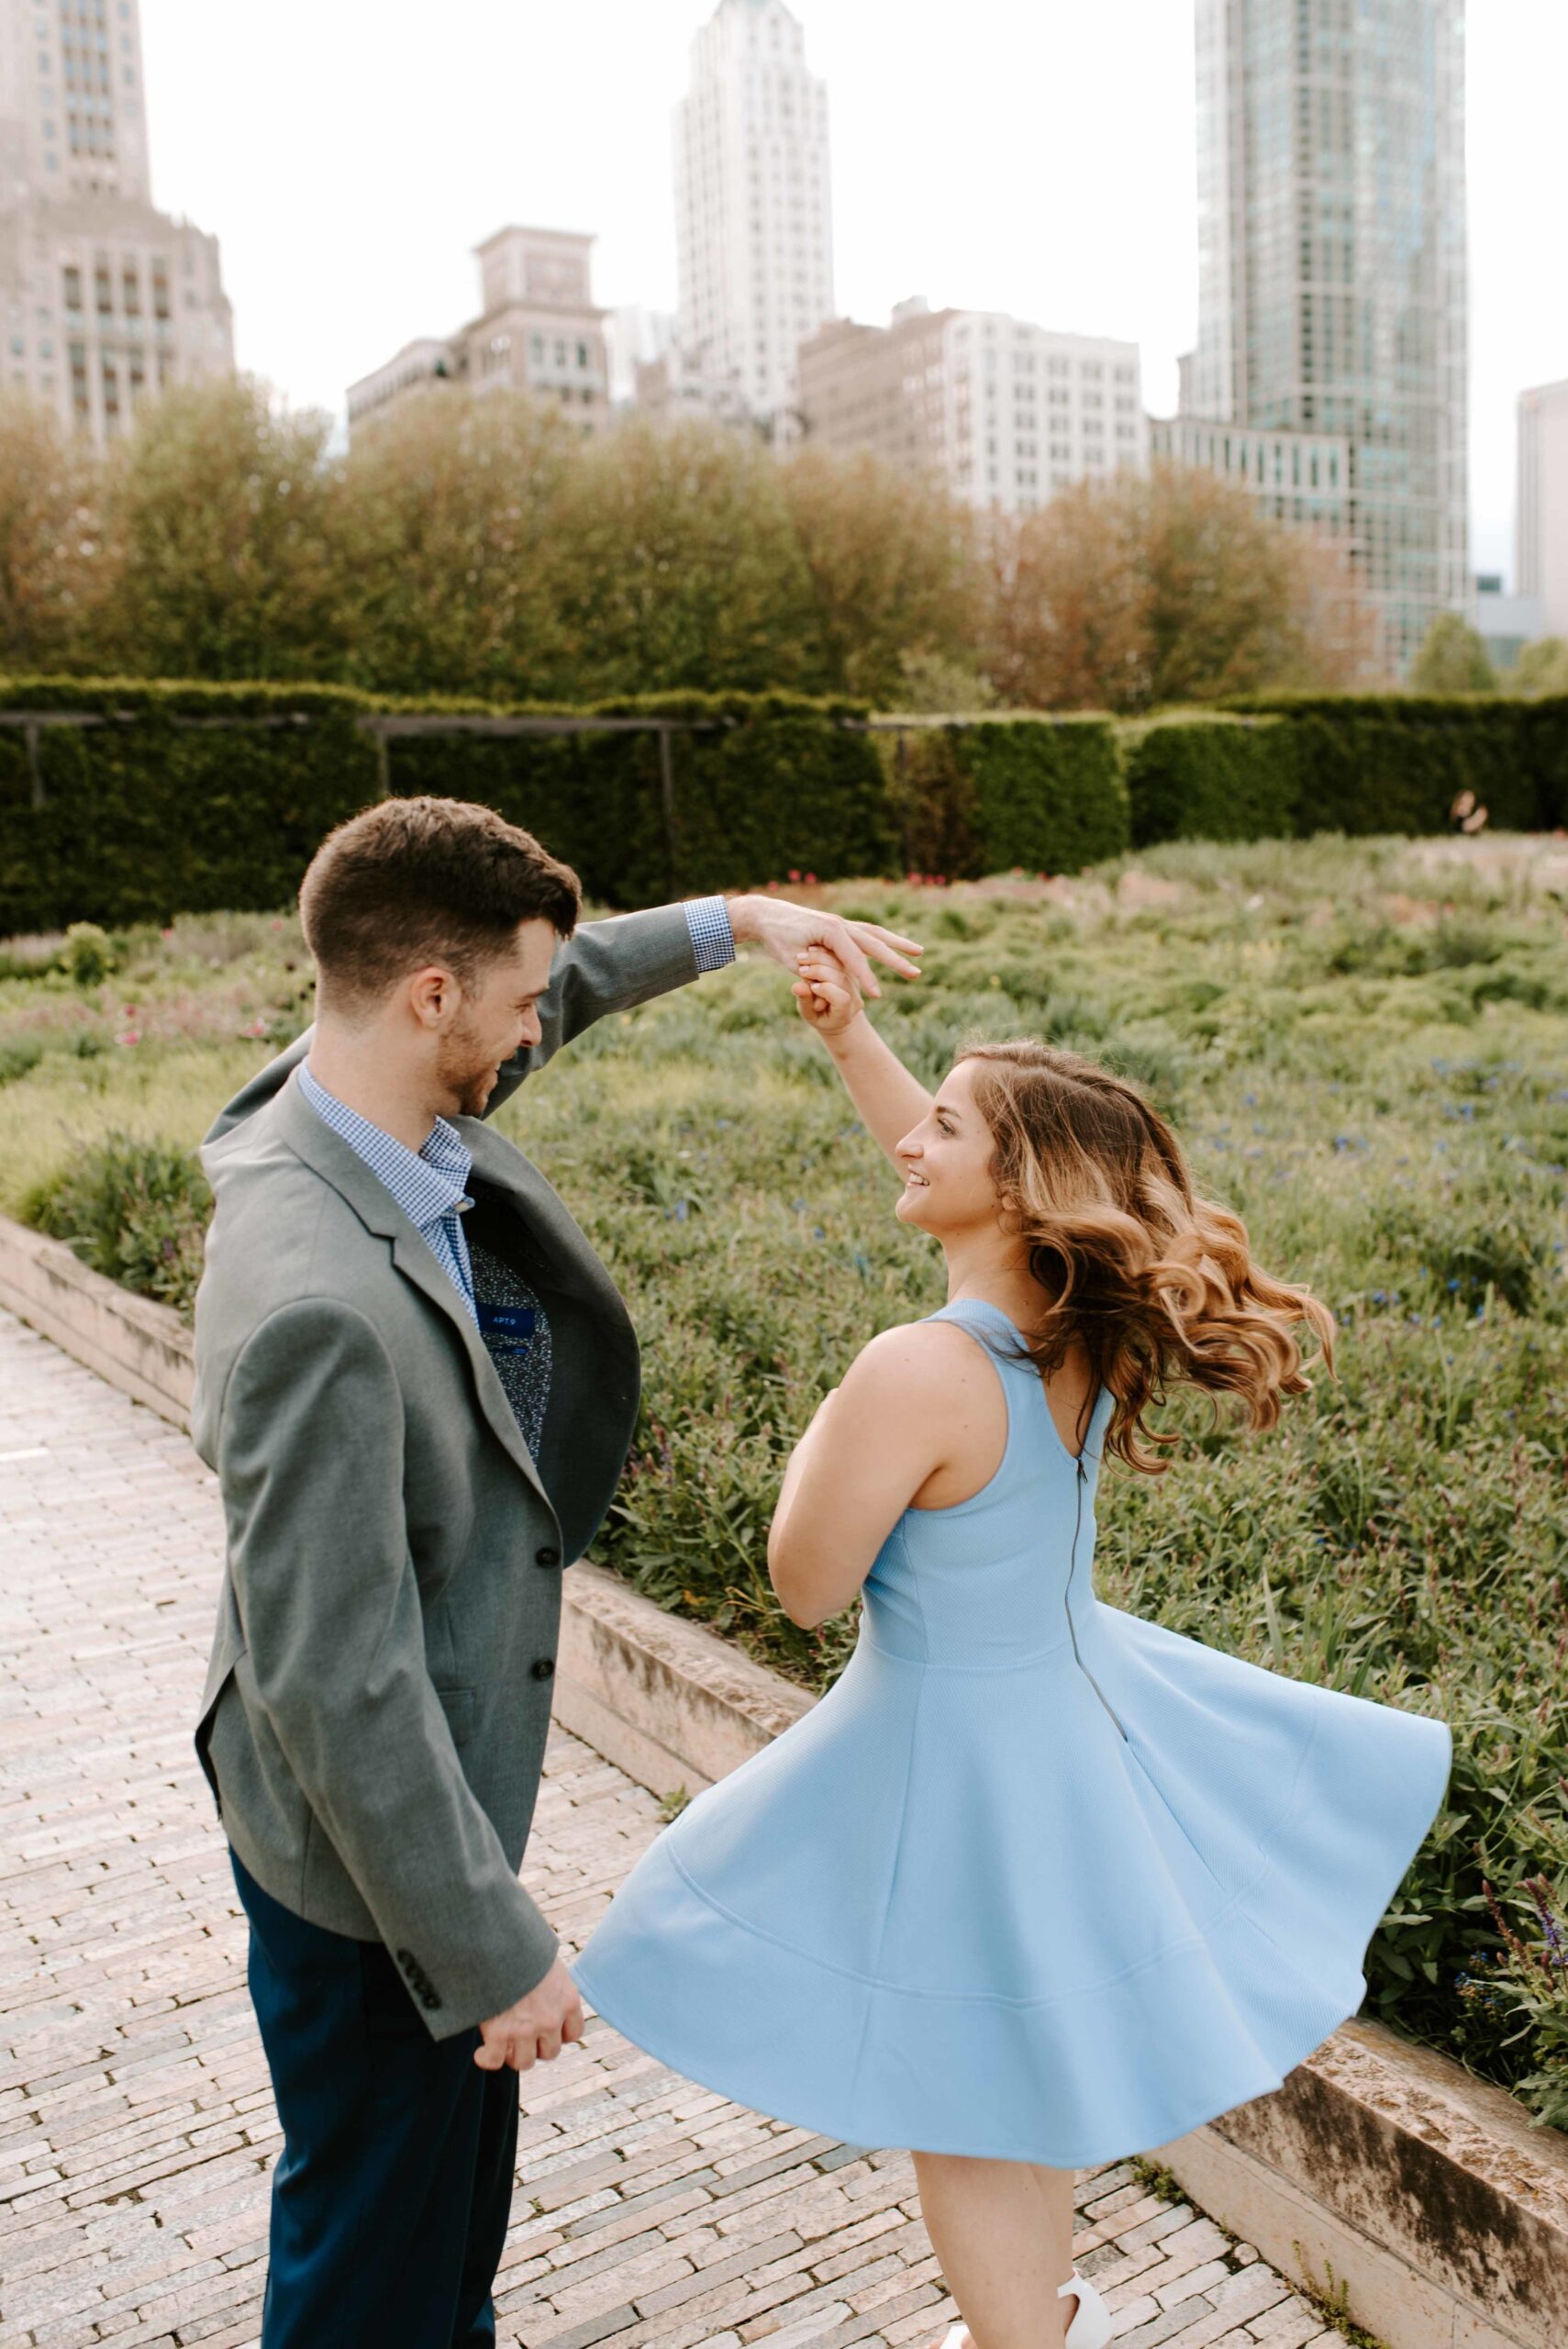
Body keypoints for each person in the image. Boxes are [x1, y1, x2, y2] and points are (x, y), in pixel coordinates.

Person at [571, 947, 1453, 2349]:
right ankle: (1037, 2326)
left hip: (944, 1756)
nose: (909, 1136)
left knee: (960, 2097)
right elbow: (961, 1194)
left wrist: (823, 1431)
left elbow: (802, 1588)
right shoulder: (1073, 1331)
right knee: (1005, 2074)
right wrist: (852, 1040)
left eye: (945, 1124)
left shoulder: (911, 1369)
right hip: (1059, 1718)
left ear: (1017, 1186)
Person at [188, 796, 922, 2349]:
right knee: (372, 2266)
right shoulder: (315, 1302)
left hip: (407, 1830)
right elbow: (336, 1673)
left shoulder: (333, 1096)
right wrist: (490, 1950)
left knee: (437, 2248)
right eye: (521, 1001)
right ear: (431, 997)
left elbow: (555, 983)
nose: (543, 1027)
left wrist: (736, 920)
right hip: (376, 1880)